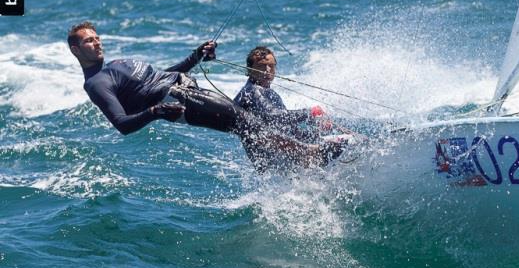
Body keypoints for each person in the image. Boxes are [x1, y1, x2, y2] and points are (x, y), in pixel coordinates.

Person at [68, 22, 342, 168]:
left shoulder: (115, 65)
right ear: (76, 50)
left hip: (184, 89)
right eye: (88, 40)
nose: (97, 42)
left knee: (246, 123)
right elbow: (121, 124)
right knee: (247, 122)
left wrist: (196, 56)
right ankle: (309, 155)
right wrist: (155, 112)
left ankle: (291, 160)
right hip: (178, 100)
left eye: (97, 37)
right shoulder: (96, 83)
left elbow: (162, 75)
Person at [234, 46, 336, 170]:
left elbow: (288, 127)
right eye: (261, 66)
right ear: (249, 70)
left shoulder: (269, 93)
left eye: (271, 66)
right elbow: (275, 117)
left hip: (282, 160)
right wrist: (310, 112)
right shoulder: (251, 91)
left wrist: (315, 134)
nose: (267, 70)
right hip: (271, 162)